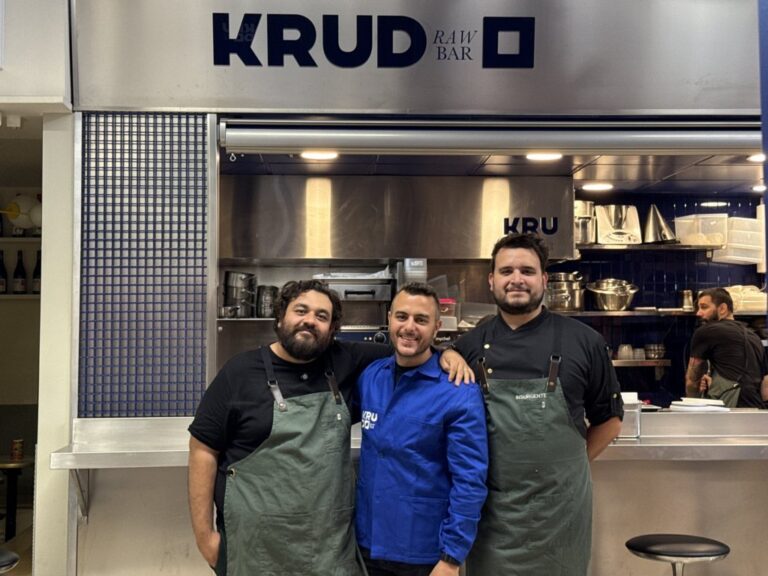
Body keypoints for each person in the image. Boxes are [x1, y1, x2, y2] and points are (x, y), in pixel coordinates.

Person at [188, 279, 473, 576]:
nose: (310, 321)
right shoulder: (239, 373)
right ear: (281, 315)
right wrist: (204, 536)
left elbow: (410, 348)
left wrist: (446, 352)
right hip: (255, 550)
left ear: (333, 328)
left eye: (321, 316)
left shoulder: (345, 360)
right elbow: (202, 450)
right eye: (301, 310)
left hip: (328, 552)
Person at [453, 233, 624, 576]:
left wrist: (567, 467)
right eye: (506, 271)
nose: (517, 279)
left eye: (527, 271)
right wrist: (447, 356)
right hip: (493, 515)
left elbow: (610, 419)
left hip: (559, 514)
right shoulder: (468, 347)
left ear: (544, 279)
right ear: (492, 280)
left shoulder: (584, 341)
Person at [355, 283, 488, 576]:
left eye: (421, 320)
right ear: (389, 318)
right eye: (401, 316)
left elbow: (470, 480)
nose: (409, 327)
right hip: (367, 542)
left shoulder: (457, 390)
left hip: (422, 552)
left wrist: (451, 557)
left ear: (437, 327)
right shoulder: (371, 376)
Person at [685, 287, 768, 408]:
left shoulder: (706, 331)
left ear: (722, 309)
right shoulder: (754, 336)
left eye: (704, 307)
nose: (698, 313)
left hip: (730, 411)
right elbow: (765, 382)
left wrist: (691, 404)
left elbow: (692, 380)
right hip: (755, 409)